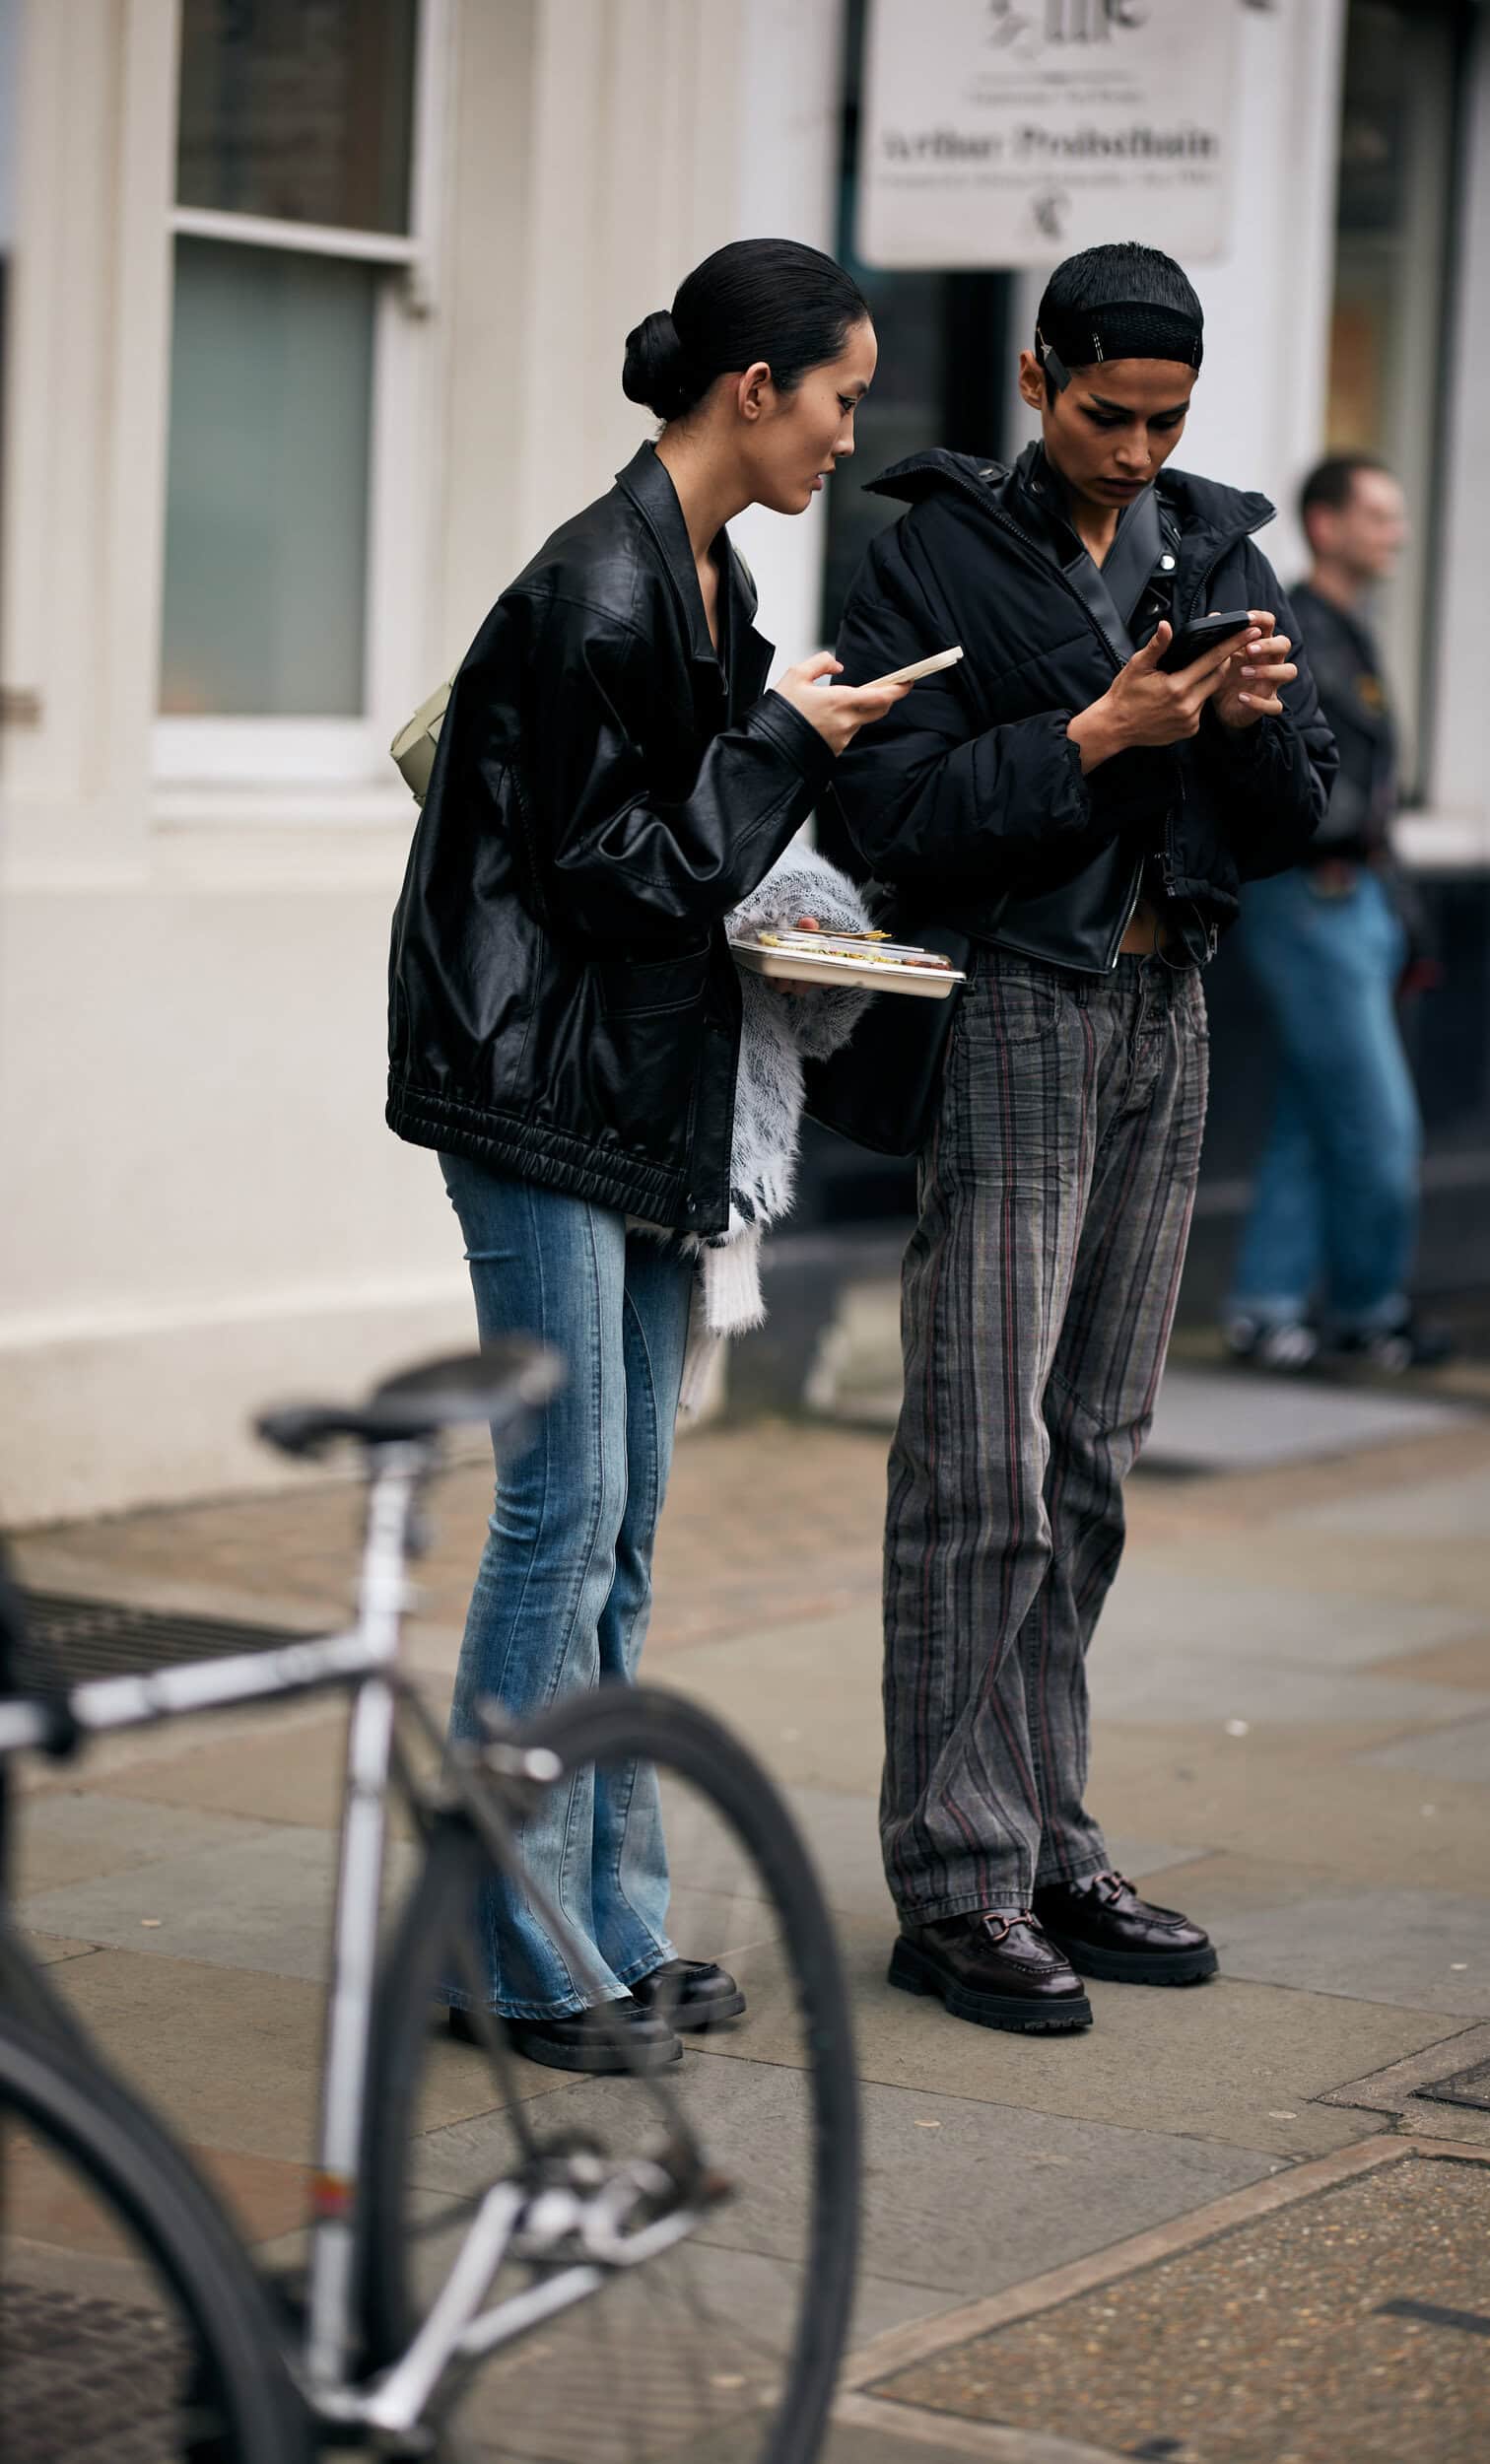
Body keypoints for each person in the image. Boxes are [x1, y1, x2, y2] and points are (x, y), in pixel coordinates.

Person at [386, 239, 905, 2073]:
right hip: (536, 1092)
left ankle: (602, 1930)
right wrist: (781, 741)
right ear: (753, 389)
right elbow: (621, 879)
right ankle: (501, 1955)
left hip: (624, 1091)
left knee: (616, 1532)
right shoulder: (598, 585)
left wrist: (781, 754)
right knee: (558, 1517)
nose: (849, 431)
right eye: (839, 395)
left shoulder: (701, 572)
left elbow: (673, 859)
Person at [828, 241, 1335, 2036]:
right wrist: (1093, 734)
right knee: (979, 1462)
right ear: (1038, 376)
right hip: (1014, 1015)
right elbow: (887, 814)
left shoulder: (1215, 545)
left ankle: (1046, 1839)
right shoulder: (928, 555)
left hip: (1164, 1010)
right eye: (1106, 414)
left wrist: (1249, 736)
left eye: (1164, 421)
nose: (1134, 451)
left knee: (1094, 1456)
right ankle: (953, 1880)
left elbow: (1295, 814)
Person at [1222, 453, 1451, 1373]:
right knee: (1378, 1124)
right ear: (1325, 525)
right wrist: (1343, 838)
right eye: (1378, 516)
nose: (1397, 533)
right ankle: (1365, 1309)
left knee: (1315, 1113)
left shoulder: (1347, 626)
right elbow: (1297, 772)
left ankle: (1265, 1309)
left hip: (1359, 900)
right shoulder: (1295, 626)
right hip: (1313, 897)